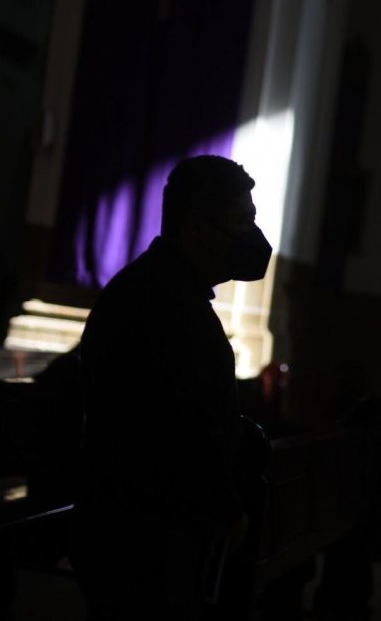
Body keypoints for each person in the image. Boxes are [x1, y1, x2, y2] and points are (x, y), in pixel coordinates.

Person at [69, 155, 272, 620]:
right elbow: (181, 426)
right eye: (241, 222)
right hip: (139, 536)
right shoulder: (159, 301)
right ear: (197, 226)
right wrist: (227, 509)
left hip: (151, 527)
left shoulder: (169, 290)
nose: (252, 237)